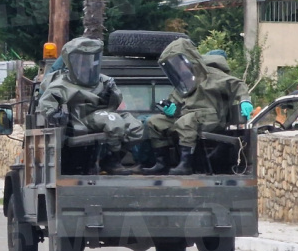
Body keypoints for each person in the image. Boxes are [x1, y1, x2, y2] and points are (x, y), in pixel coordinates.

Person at [142, 38, 252, 175]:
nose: (178, 67)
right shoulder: (185, 79)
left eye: (178, 62)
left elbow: (237, 85)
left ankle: (185, 164)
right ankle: (161, 163)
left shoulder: (211, 74)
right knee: (155, 122)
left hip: (211, 117)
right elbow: (175, 101)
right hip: (189, 115)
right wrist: (170, 108)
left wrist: (245, 100)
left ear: (188, 58)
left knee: (185, 121)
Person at [38, 37, 144, 175]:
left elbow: (115, 103)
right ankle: (113, 163)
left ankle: (112, 157)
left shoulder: (104, 80)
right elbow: (46, 103)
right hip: (81, 117)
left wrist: (111, 93)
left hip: (105, 112)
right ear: (71, 63)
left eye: (89, 61)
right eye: (80, 62)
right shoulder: (60, 84)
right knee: (114, 122)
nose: (85, 66)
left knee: (136, 127)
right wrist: (55, 114)